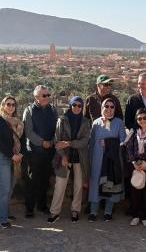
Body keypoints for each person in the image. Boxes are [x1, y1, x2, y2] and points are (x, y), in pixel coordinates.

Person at [48, 96, 91, 224]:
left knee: (78, 186)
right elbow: (57, 141)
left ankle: (75, 210)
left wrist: (69, 143)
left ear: (82, 107)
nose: (77, 108)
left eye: (79, 106)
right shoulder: (62, 120)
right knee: (60, 186)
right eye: (74, 105)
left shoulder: (85, 122)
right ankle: (55, 212)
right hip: (64, 157)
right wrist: (63, 156)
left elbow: (84, 142)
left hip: (80, 157)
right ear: (70, 106)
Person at [22, 85, 58, 218]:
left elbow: (57, 129)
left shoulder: (53, 110)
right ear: (36, 97)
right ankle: (29, 208)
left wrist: (52, 142)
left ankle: (42, 206)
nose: (47, 97)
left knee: (45, 179)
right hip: (34, 151)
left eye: (48, 95)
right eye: (44, 95)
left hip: (49, 151)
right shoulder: (29, 111)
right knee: (32, 180)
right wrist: (42, 142)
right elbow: (29, 132)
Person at [88, 98, 126, 222]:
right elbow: (92, 142)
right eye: (106, 106)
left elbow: (123, 142)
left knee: (111, 184)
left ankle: (108, 212)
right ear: (102, 108)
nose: (109, 109)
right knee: (95, 184)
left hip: (112, 160)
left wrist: (109, 143)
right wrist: (90, 160)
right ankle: (93, 212)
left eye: (111, 107)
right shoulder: (96, 123)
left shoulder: (119, 123)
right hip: (97, 159)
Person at [0, 96, 24, 229]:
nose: (11, 107)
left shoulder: (18, 122)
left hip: (15, 158)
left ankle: (5, 212)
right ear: (3, 105)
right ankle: (2, 218)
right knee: (4, 188)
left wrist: (18, 155)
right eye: (8, 104)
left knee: (10, 187)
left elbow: (21, 140)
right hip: (2, 157)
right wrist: (12, 155)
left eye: (13, 105)